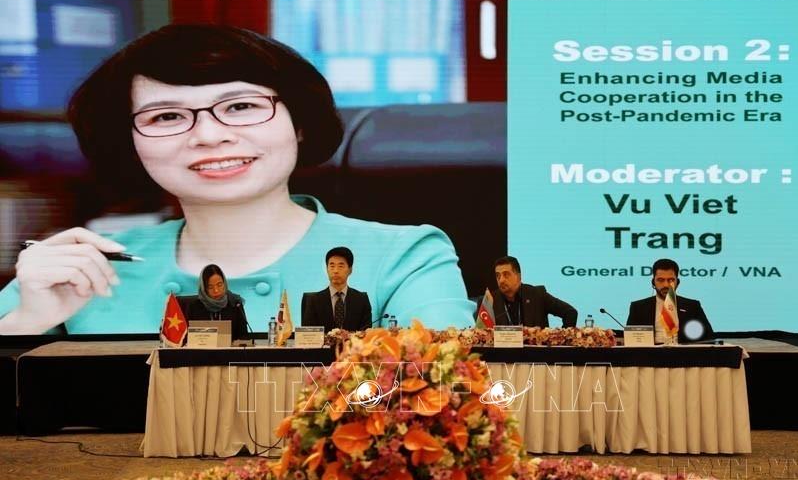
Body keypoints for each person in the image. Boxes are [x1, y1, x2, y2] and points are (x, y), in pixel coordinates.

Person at [0, 24, 474, 335]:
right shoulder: (81, 264)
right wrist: (25, 323)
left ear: (300, 123)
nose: (209, 136)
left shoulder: (405, 258)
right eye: (166, 116)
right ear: (129, 143)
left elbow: (445, 404)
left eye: (241, 106)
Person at [627, 258, 714, 344]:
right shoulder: (638, 307)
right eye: (660, 280)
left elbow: (708, 337)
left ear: (677, 282)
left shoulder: (692, 306)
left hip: (683, 351)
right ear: (653, 282)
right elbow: (630, 340)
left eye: (671, 280)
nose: (666, 285)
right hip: (650, 352)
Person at [490, 256, 578, 327]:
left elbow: (570, 313)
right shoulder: (491, 300)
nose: (501, 280)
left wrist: (562, 340)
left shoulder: (537, 295)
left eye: (506, 274)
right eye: (498, 276)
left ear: (518, 276)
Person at [301, 247, 372, 332]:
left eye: (340, 266)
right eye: (332, 266)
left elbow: (366, 333)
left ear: (350, 270)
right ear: (327, 269)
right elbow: (308, 335)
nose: (335, 271)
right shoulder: (314, 301)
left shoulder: (361, 300)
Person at [179, 264, 249, 340]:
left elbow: (243, 336)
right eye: (210, 287)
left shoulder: (235, 303)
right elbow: (186, 338)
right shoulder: (194, 306)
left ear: (224, 283)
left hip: (230, 347)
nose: (216, 290)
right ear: (204, 288)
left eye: (219, 285)